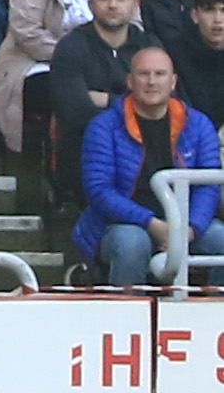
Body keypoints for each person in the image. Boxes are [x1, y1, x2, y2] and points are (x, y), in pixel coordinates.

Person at [77, 43, 224, 286]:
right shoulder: (103, 126)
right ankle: (125, 317)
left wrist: (190, 229)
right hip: (121, 223)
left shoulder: (199, 125)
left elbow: (208, 185)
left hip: (186, 224)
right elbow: (99, 191)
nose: (151, 82)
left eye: (160, 74)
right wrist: (152, 224)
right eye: (143, 74)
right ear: (129, 81)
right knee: (132, 244)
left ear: (173, 81)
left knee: (221, 240)